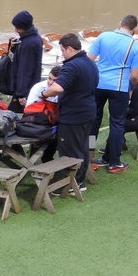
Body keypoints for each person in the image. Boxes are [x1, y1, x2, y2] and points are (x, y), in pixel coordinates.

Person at [40, 33, 99, 189]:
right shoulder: (90, 63)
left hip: (74, 115)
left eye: (62, 50)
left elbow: (58, 88)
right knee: (82, 147)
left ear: (70, 48)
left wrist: (44, 94)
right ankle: (79, 181)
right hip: (88, 111)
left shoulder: (72, 65)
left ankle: (72, 184)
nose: (62, 54)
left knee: (69, 151)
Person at [88, 14, 138, 174]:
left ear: (120, 24)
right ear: (134, 30)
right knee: (117, 124)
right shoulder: (134, 45)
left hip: (98, 84)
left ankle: (88, 155)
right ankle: (113, 161)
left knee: (93, 120)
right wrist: (131, 88)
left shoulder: (104, 36)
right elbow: (134, 76)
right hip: (119, 88)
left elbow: (89, 59)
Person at [9, 11, 43, 113]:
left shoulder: (29, 44)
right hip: (30, 87)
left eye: (17, 27)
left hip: (25, 91)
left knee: (14, 116)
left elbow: (25, 70)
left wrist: (21, 94)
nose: (15, 30)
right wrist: (14, 48)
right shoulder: (33, 38)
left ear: (23, 27)